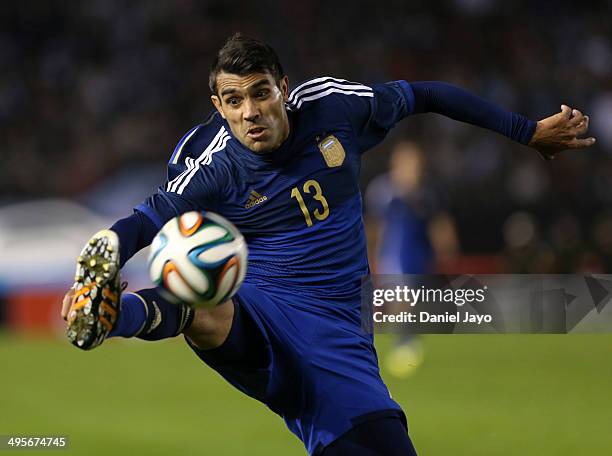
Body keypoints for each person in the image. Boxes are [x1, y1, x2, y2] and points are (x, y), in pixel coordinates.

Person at [61, 34, 595, 455]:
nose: (251, 111)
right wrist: (104, 253)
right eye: (234, 100)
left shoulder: (334, 108)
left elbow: (425, 95)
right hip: (263, 310)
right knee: (202, 297)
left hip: (339, 329)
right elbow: (146, 219)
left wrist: (525, 131)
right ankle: (113, 316)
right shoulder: (212, 166)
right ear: (218, 106)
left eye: (261, 93)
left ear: (283, 88)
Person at [366, 141, 459, 378]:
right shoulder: (382, 191)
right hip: (393, 254)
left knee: (410, 303)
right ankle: (405, 346)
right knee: (402, 298)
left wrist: (446, 246)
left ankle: (407, 342)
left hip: (420, 255)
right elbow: (375, 227)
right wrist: (369, 254)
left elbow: (439, 223)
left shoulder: (428, 192)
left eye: (416, 162)